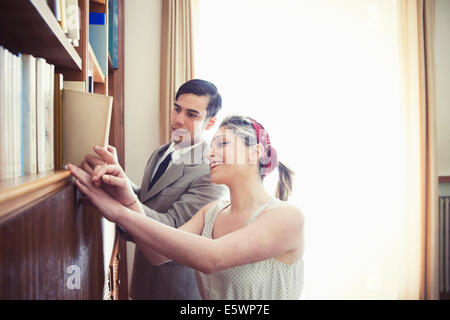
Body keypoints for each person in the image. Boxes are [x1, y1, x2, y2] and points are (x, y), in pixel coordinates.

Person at [70, 114, 305, 300]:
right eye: (211, 145)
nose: (210, 153)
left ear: (256, 153)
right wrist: (129, 200)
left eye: (222, 144)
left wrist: (120, 213)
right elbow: (156, 254)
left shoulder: (286, 217)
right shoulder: (211, 212)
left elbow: (211, 258)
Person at [81, 79, 227, 300]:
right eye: (177, 108)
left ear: (210, 123)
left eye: (191, 114)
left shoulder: (212, 173)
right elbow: (147, 202)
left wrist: (124, 198)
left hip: (174, 293)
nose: (178, 119)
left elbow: (173, 235)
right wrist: (116, 176)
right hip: (141, 284)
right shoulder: (161, 152)